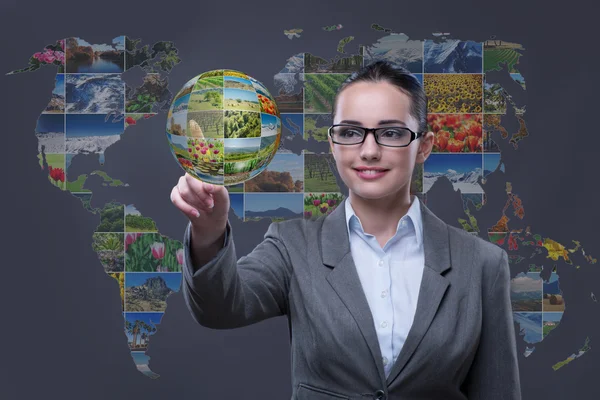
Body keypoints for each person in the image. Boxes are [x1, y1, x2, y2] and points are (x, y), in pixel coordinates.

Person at [170, 60, 522, 400]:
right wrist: (209, 230)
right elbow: (219, 308)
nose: (369, 151)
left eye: (391, 133)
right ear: (333, 143)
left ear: (424, 146)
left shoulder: (482, 265)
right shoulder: (292, 247)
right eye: (351, 132)